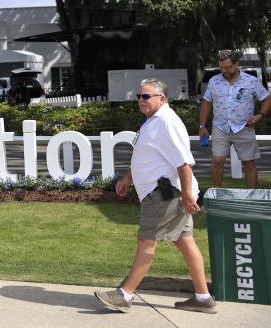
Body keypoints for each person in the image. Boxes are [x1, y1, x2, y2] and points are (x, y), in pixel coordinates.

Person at [94, 78, 216, 314]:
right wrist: (128, 178)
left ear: (162, 98)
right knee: (184, 241)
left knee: (147, 241)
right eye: (139, 96)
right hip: (164, 192)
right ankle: (203, 298)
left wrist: (189, 196)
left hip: (163, 194)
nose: (141, 100)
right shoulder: (153, 121)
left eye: (146, 96)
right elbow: (148, 155)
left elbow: (184, 163)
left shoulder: (166, 122)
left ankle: (125, 294)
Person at [198, 49, 269, 189]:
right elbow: (206, 103)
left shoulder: (251, 81)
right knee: (217, 160)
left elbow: (266, 98)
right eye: (221, 67)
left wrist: (260, 115)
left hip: (244, 127)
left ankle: (252, 197)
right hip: (220, 127)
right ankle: (217, 196)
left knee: (249, 162)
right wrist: (202, 126)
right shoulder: (214, 81)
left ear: (236, 64)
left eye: (228, 67)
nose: (224, 70)